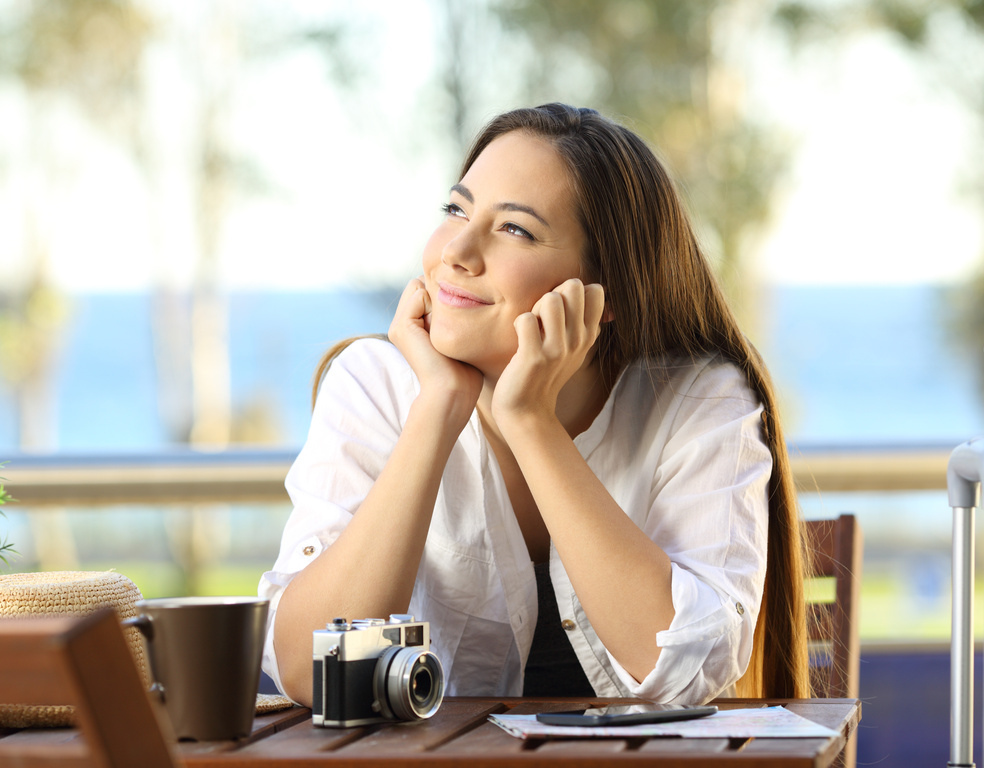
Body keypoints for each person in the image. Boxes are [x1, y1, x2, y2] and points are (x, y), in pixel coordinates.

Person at [258, 102, 808, 706]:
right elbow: (308, 672)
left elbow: (685, 673)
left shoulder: (698, 400)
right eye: (456, 210)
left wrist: (531, 423)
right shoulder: (375, 384)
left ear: (608, 292)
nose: (457, 252)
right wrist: (438, 409)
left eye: (515, 229)